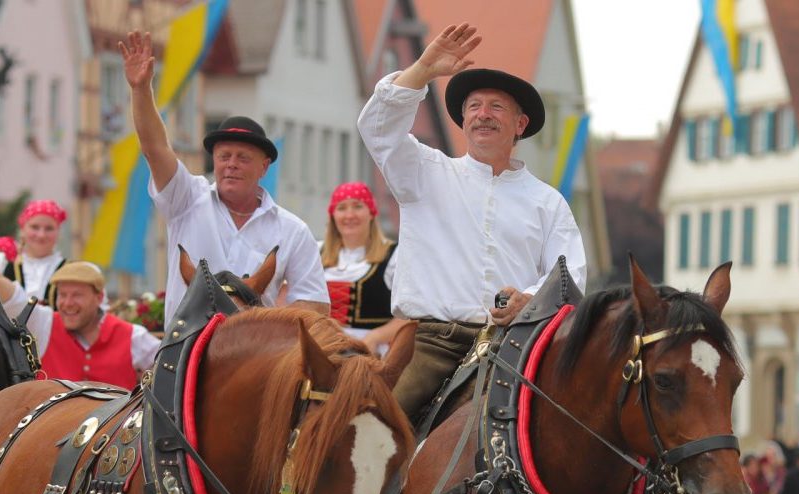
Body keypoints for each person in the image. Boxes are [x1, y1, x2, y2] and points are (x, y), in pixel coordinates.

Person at [357, 22, 587, 421]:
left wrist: (530, 300)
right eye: (474, 107)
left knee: (574, 431)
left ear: (520, 125)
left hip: (515, 346)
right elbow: (376, 128)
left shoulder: (547, 203)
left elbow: (570, 277)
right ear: (463, 122)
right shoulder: (424, 171)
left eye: (496, 107)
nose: (483, 115)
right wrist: (424, 69)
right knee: (371, 432)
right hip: (432, 343)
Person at [120, 31, 329, 325]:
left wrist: (263, 324)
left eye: (243, 158)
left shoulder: (293, 230)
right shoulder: (187, 199)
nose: (231, 165)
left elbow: (315, 306)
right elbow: (154, 148)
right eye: (224, 156)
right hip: (185, 350)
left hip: (255, 353)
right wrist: (141, 90)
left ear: (264, 166)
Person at [0, 167, 158, 389]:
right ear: (22, 230)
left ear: (99, 298)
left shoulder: (130, 336)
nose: (68, 302)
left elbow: (172, 364)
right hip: (11, 359)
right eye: (63, 294)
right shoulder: (44, 321)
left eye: (77, 295)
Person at [321, 181, 407, 353]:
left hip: (373, 352)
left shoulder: (394, 256)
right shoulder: (316, 253)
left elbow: (409, 316)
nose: (350, 215)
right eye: (342, 208)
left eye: (358, 206)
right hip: (324, 349)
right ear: (333, 215)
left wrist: (375, 337)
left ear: (371, 213)